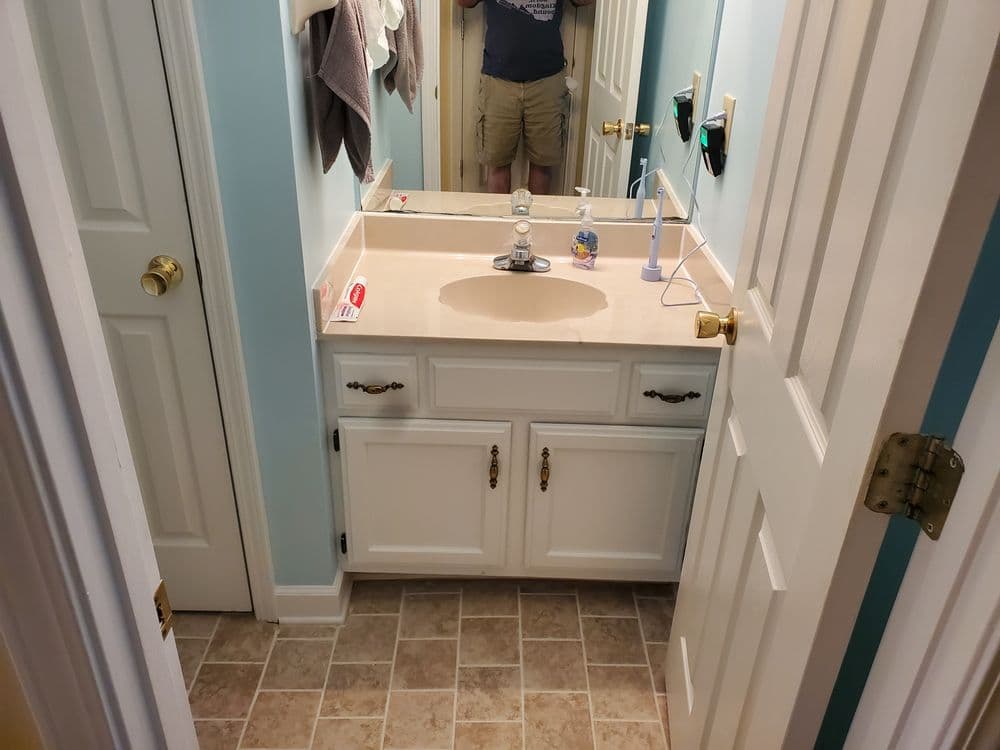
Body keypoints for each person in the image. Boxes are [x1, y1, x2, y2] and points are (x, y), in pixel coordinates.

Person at [457, 0, 595, 194]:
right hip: (498, 79)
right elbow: (463, 3)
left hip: (547, 79)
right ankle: (500, 215)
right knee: (497, 163)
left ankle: (535, 215)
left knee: (543, 164)